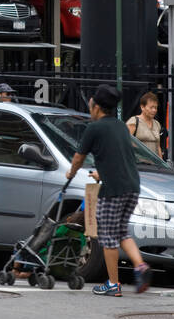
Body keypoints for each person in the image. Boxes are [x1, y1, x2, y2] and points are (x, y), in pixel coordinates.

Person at [65, 84, 152, 295]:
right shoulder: (120, 126)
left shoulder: (94, 128)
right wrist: (101, 174)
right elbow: (120, 158)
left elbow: (78, 157)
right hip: (132, 186)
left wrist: (71, 173)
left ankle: (113, 284)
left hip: (113, 191)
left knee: (107, 236)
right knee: (121, 231)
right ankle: (140, 265)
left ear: (96, 106)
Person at [126, 91, 163, 158]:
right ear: (142, 107)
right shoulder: (134, 122)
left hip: (154, 165)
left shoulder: (157, 124)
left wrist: (162, 165)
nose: (154, 110)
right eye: (151, 107)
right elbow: (125, 144)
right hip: (138, 165)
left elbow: (158, 147)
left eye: (156, 107)